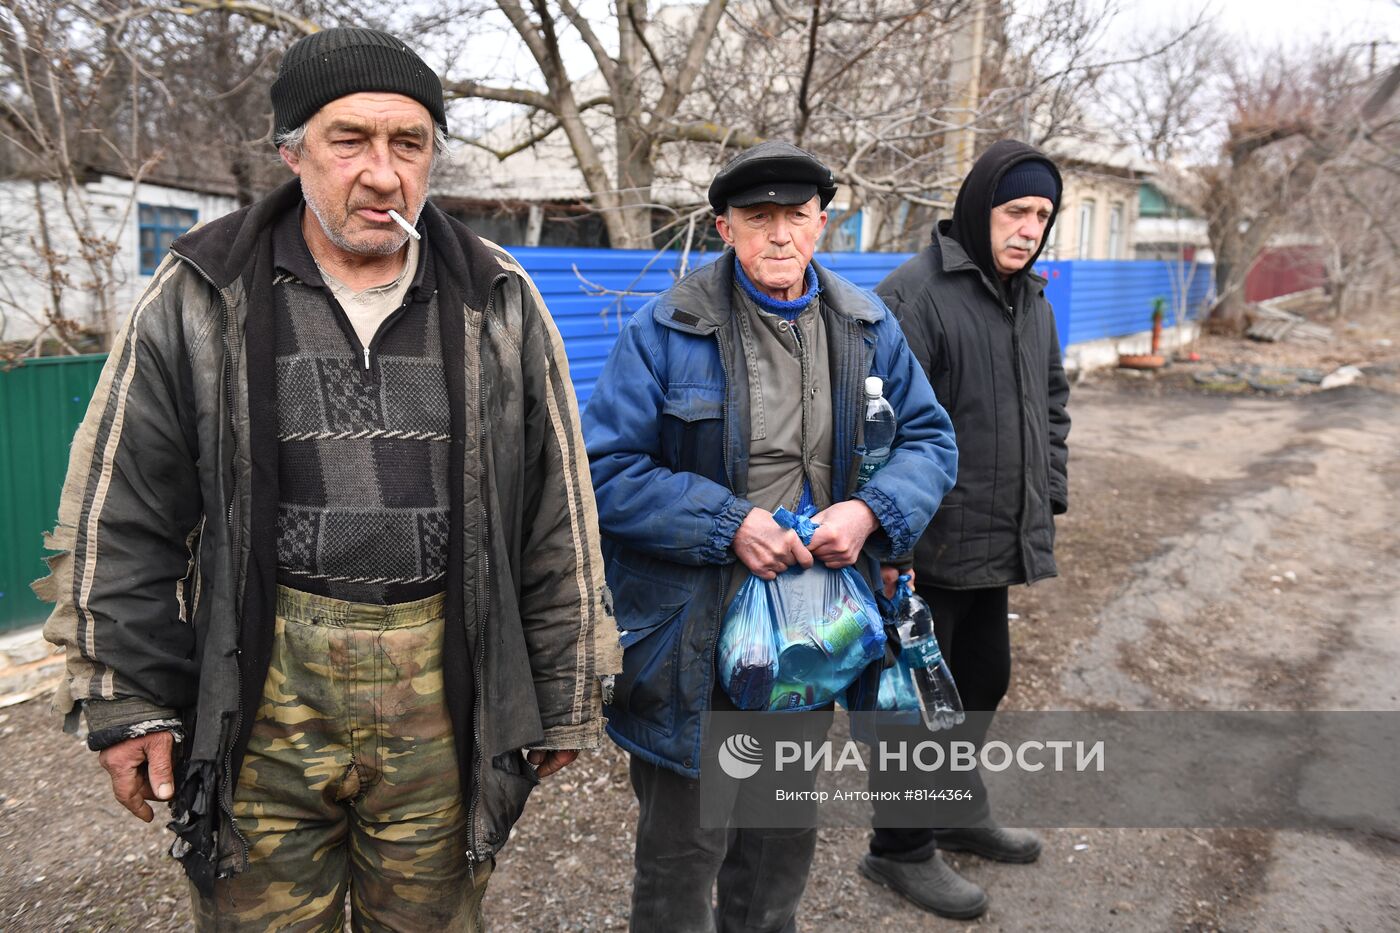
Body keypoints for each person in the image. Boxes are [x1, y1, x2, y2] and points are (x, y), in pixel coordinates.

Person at [38, 27, 618, 931]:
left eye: (409, 143)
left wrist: (565, 686)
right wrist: (128, 693)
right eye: (350, 140)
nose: (383, 174)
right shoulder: (203, 289)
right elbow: (125, 508)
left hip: (443, 679)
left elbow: (558, 508)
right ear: (293, 151)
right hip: (263, 678)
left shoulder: (495, 299)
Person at [582, 140, 958, 932]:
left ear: (824, 224)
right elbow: (605, 468)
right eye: (759, 218)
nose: (779, 235)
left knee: (779, 839)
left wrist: (870, 513)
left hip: (813, 635)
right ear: (724, 227)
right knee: (684, 854)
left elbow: (930, 440)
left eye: (797, 216)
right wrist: (729, 524)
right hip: (693, 637)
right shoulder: (667, 328)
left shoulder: (866, 325)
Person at [860, 139, 1072, 919]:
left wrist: (1043, 497)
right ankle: (899, 848)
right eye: (1017, 210)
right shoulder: (914, 296)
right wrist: (893, 549)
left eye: (1042, 215)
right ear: (981, 207)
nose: (1028, 228)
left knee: (983, 680)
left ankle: (950, 806)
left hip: (992, 540)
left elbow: (1051, 405)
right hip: (925, 550)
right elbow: (877, 434)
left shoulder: (1032, 298)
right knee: (913, 703)